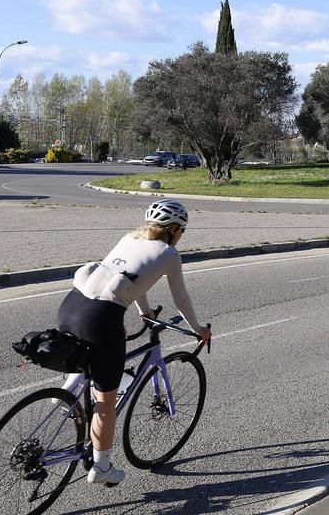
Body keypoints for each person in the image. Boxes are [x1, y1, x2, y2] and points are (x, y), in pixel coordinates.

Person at [56, 199, 212, 486]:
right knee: (105, 400)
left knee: (94, 352)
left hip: (71, 307)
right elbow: (181, 299)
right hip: (101, 317)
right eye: (182, 231)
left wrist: (146, 312)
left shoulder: (130, 238)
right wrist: (199, 329)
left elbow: (132, 278)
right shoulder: (169, 253)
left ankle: (66, 394)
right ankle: (102, 467)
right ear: (174, 229)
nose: (182, 236)